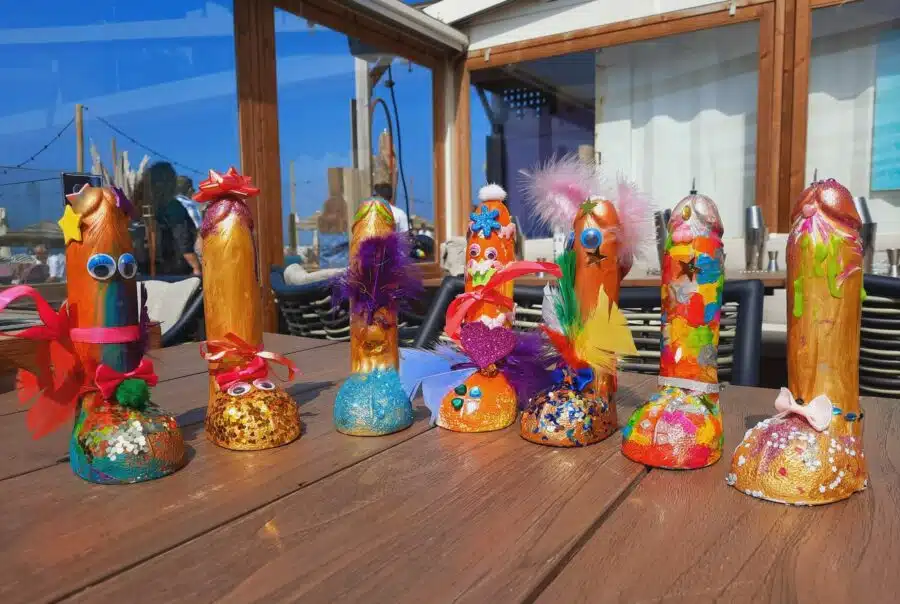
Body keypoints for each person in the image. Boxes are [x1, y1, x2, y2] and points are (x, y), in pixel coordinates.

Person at [147, 162, 201, 276]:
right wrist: (196, 267)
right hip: (179, 267)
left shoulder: (157, 207)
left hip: (162, 266)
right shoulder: (174, 207)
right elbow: (183, 239)